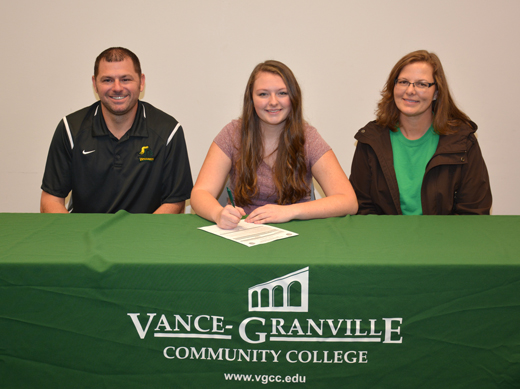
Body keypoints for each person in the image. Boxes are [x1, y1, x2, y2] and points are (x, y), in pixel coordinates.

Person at [191, 60, 358, 229]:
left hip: (297, 232)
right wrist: (218, 214)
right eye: (263, 94)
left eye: (282, 93)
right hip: (243, 232)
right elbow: (199, 194)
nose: (273, 102)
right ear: (251, 99)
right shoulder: (232, 133)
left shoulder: (308, 138)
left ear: (294, 97)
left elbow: (348, 201)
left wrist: (289, 212)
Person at [41, 47, 193, 214]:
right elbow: (51, 199)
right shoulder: (71, 129)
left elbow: (175, 203)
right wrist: (75, 236)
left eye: (126, 79)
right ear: (95, 84)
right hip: (83, 235)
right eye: (107, 80)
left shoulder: (168, 131)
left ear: (141, 82)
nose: (117, 88)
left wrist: (142, 238)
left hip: (145, 235)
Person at [350, 50, 492, 215]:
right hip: (386, 239)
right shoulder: (370, 140)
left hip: (444, 239)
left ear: (437, 92)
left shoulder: (462, 141)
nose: (410, 90)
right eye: (403, 82)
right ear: (393, 86)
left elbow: (474, 212)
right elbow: (361, 209)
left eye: (422, 84)